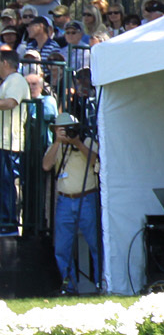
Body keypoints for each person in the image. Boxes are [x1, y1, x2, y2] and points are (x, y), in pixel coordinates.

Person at [42, 114, 99, 294]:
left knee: (96, 245)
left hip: (87, 198)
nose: (67, 133)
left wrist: (77, 143)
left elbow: (94, 161)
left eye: (69, 129)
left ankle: (101, 284)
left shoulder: (87, 141)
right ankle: (70, 286)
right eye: (62, 130)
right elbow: (46, 166)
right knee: (62, 247)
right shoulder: (56, 147)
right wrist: (58, 142)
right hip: (65, 201)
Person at [0, 49, 26, 232]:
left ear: (4, 63)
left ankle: (9, 223)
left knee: (7, 183)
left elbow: (10, 103)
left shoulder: (16, 80)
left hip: (9, 143)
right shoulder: (8, 82)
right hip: (3, 142)